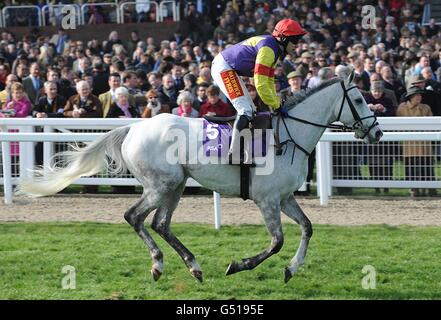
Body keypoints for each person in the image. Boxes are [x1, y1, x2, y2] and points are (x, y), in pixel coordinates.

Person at [210, 18, 307, 160]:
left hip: (229, 67)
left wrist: (276, 102)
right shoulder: (269, 49)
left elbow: (268, 81)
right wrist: (276, 105)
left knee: (251, 110)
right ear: (284, 38)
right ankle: (234, 153)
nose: (297, 45)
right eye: (295, 40)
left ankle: (246, 149)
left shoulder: (275, 49)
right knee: (245, 110)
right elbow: (260, 83)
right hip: (224, 67)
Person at [397, 86, 436, 197]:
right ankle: (413, 188)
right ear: (410, 97)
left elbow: (431, 123)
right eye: (416, 95)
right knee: (411, 165)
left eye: (420, 95)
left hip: (424, 142)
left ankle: (430, 188)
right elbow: (400, 124)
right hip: (410, 143)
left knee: (427, 165)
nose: (419, 97)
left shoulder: (425, 107)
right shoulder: (402, 108)